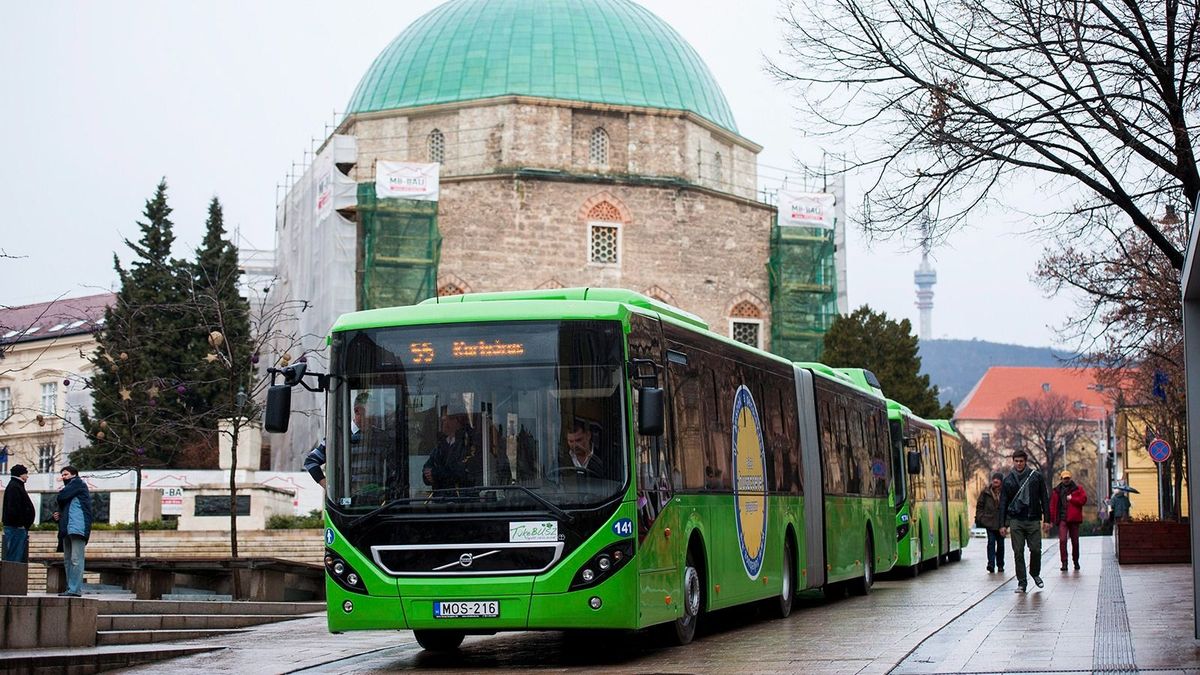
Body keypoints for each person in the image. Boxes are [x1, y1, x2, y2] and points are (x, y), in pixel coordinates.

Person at [999, 450, 1050, 593]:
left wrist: (1047, 519)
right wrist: (1002, 524)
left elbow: (1044, 498)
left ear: (1025, 461)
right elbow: (1003, 503)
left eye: (1021, 461)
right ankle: (1022, 582)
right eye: (1016, 461)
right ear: (1013, 462)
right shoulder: (1008, 480)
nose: (1019, 463)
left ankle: (1035, 573)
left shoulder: (1036, 477)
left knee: (1035, 549)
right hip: (1016, 520)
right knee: (1018, 552)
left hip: (1033, 518)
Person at [51, 466, 93, 597]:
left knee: (76, 559)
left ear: (74, 474)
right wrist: (57, 516)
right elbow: (64, 506)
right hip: (67, 529)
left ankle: (74, 590)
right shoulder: (70, 490)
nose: (63, 477)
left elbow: (61, 497)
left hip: (77, 528)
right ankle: (71, 589)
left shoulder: (78, 484)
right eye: (62, 475)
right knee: (68, 560)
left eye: (66, 474)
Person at [1049, 469, 1087, 571]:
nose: (1066, 480)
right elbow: (1052, 506)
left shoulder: (1078, 489)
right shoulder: (1056, 491)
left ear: (1070, 478)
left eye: (1068, 478)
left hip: (1074, 519)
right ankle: (1064, 562)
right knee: (1062, 540)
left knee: (1075, 542)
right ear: (1061, 479)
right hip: (1062, 519)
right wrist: (1051, 520)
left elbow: (1083, 500)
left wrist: (1072, 499)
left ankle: (1076, 561)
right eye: (1064, 478)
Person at [2, 465, 35, 563]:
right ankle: (12, 578)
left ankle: (13, 576)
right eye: (26, 474)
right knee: (15, 557)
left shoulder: (15, 485)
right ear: (21, 474)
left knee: (16, 556)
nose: (27, 476)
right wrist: (21, 524)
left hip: (17, 527)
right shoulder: (15, 486)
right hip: (16, 527)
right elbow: (14, 508)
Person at [975, 472, 1005, 574]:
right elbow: (979, 506)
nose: (995, 480)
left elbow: (1008, 507)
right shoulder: (985, 492)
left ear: (1001, 481)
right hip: (989, 523)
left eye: (998, 479)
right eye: (994, 479)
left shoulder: (1005, 492)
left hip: (1001, 524)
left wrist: (1006, 523)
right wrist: (981, 518)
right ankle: (991, 564)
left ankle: (1000, 564)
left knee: (1000, 545)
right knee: (991, 543)